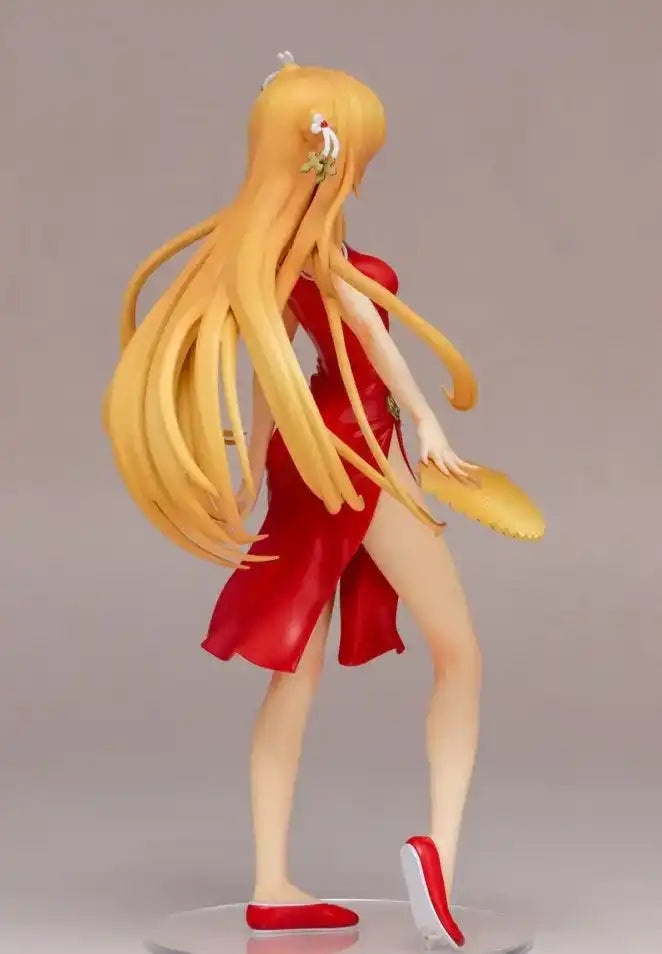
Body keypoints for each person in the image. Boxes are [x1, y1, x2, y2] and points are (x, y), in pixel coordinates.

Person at [104, 51, 482, 949]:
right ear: (326, 155)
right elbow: (379, 352)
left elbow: (275, 376)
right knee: (460, 655)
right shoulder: (328, 261)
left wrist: (257, 472)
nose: (364, 170)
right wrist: (426, 421)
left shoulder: (273, 260)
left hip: (307, 451)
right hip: (357, 451)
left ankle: (271, 883)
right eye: (359, 154)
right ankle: (438, 855)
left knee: (295, 673)